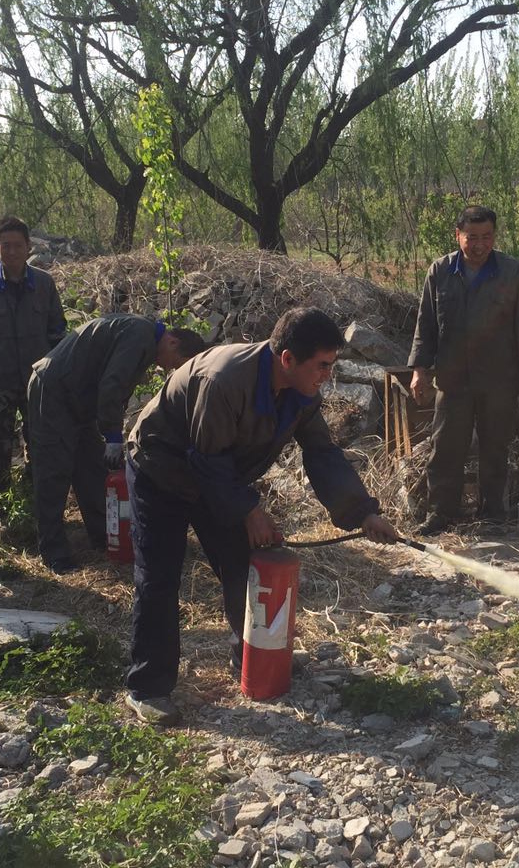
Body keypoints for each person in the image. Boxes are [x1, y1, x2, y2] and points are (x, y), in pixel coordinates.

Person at [124, 307, 401, 726]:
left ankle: (251, 658)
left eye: (332, 365)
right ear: (288, 359)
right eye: (322, 365)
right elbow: (208, 458)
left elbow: (321, 452)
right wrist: (250, 510)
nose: (327, 375)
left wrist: (364, 513)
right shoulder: (223, 381)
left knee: (241, 563)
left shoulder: (302, 391)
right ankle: (147, 687)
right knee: (160, 576)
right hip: (160, 468)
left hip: (213, 474)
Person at [408, 204, 519, 534]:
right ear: (458, 236)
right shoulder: (440, 271)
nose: (479, 245)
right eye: (471, 237)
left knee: (494, 448)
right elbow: (426, 324)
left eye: (486, 237)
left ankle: (493, 514)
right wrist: (419, 369)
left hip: (498, 379)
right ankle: (441, 514)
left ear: (494, 237)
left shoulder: (510, 272)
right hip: (453, 378)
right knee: (445, 448)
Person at [28, 314, 207, 573]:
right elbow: (112, 385)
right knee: (54, 471)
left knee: (91, 469)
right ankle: (54, 553)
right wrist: (112, 436)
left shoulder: (143, 340)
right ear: (172, 343)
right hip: (54, 391)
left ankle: (105, 537)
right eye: (175, 365)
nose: (169, 370)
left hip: (79, 400)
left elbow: (117, 390)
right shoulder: (140, 337)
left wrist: (112, 433)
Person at [0, 217, 66, 531]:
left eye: (17, 245)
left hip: (38, 380)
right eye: (4, 245)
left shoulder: (44, 284)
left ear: (28, 247)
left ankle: (39, 501)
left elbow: (58, 332)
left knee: (41, 441)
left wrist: (58, 374)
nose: (11, 251)